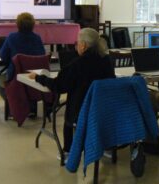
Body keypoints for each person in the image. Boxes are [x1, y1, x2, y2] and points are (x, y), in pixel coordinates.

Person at [29, 28, 115, 160]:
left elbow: (58, 86)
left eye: (77, 42)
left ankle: (68, 152)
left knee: (71, 110)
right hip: (102, 108)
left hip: (81, 111)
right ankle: (107, 147)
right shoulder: (106, 60)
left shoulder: (76, 65)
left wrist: (38, 78)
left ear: (83, 45)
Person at [0, 12, 45, 100]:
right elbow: (42, 56)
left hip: (15, 76)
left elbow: (3, 56)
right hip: (34, 76)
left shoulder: (11, 37)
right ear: (33, 25)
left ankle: (13, 104)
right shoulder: (37, 38)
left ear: (17, 24)